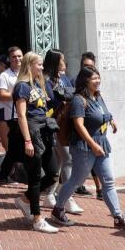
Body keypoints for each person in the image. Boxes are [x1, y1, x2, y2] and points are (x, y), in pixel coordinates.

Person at [50, 65, 125, 231]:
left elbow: (104, 112)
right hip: (84, 146)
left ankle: (118, 216)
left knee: (108, 181)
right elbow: (79, 125)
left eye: (98, 78)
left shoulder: (97, 96)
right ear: (85, 80)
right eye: (94, 78)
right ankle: (58, 209)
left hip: (102, 144)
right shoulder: (79, 100)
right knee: (77, 180)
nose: (98, 81)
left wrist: (111, 120)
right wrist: (93, 144)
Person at [7, 51, 59, 234]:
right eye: (39, 64)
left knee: (53, 173)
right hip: (31, 133)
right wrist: (28, 141)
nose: (42, 67)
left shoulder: (38, 84)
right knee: (35, 177)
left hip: (44, 131)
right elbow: (21, 115)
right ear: (29, 65)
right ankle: (37, 219)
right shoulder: (22, 86)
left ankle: (25, 200)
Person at [42, 49, 82, 214]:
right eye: (62, 60)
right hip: (55, 125)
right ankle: (66, 197)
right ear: (55, 62)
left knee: (59, 161)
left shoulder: (65, 78)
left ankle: (50, 194)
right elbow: (50, 103)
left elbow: (73, 94)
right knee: (68, 158)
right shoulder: (46, 81)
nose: (65, 63)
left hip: (67, 125)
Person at [0, 47, 23, 184]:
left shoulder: (27, 73)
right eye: (14, 57)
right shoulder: (5, 75)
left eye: (19, 56)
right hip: (13, 116)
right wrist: (18, 96)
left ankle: (5, 174)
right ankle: (7, 174)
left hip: (26, 115)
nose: (17, 59)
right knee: (15, 147)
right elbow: (1, 94)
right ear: (9, 60)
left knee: (15, 148)